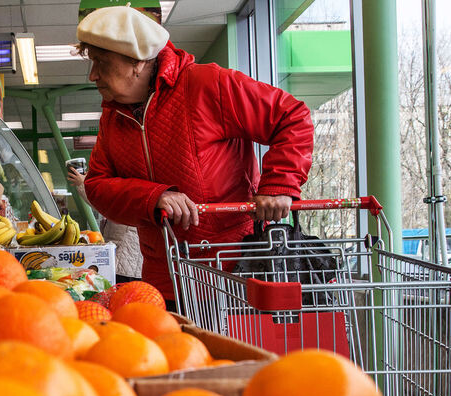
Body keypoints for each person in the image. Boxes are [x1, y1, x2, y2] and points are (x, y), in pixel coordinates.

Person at [76, 6, 313, 306]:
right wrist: (153, 198)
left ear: (137, 61)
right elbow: (97, 185)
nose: (93, 74)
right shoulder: (113, 118)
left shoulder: (207, 84)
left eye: (101, 62)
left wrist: (279, 184)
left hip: (234, 273)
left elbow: (291, 117)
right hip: (165, 279)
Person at [67, 166, 142, 283]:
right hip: (128, 263)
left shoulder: (131, 192)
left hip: (125, 265)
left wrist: (83, 184)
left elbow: (104, 204)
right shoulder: (134, 189)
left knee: (123, 292)